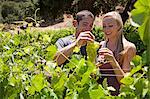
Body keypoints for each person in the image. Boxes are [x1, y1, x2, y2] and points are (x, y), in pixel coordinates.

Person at [96, 11, 136, 95]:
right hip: (100, 94)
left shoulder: (128, 48)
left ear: (119, 26)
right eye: (104, 26)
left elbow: (126, 82)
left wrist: (113, 62)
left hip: (119, 95)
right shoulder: (101, 46)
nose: (106, 29)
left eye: (110, 26)